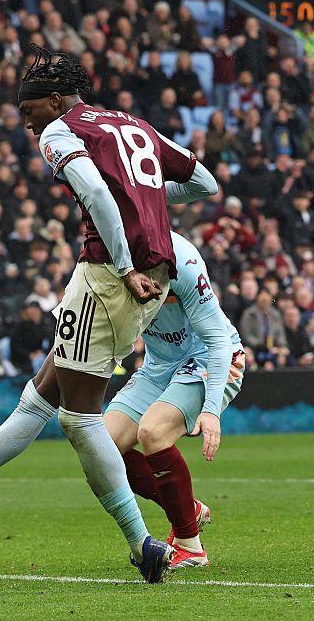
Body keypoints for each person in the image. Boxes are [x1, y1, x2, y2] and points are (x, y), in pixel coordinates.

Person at [0, 45, 218, 583]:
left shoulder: (62, 130)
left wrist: (124, 261)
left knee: (79, 419)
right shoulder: (132, 123)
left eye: (28, 110)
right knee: (39, 398)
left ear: (55, 99)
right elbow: (204, 184)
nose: (26, 123)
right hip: (151, 272)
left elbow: (100, 195)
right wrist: (146, 200)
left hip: (109, 274)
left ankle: (143, 543)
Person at [105, 232, 245, 570]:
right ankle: (188, 508)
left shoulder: (181, 259)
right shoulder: (103, 256)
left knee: (152, 433)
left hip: (210, 358)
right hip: (159, 365)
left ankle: (190, 545)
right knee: (101, 447)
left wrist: (211, 411)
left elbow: (215, 338)